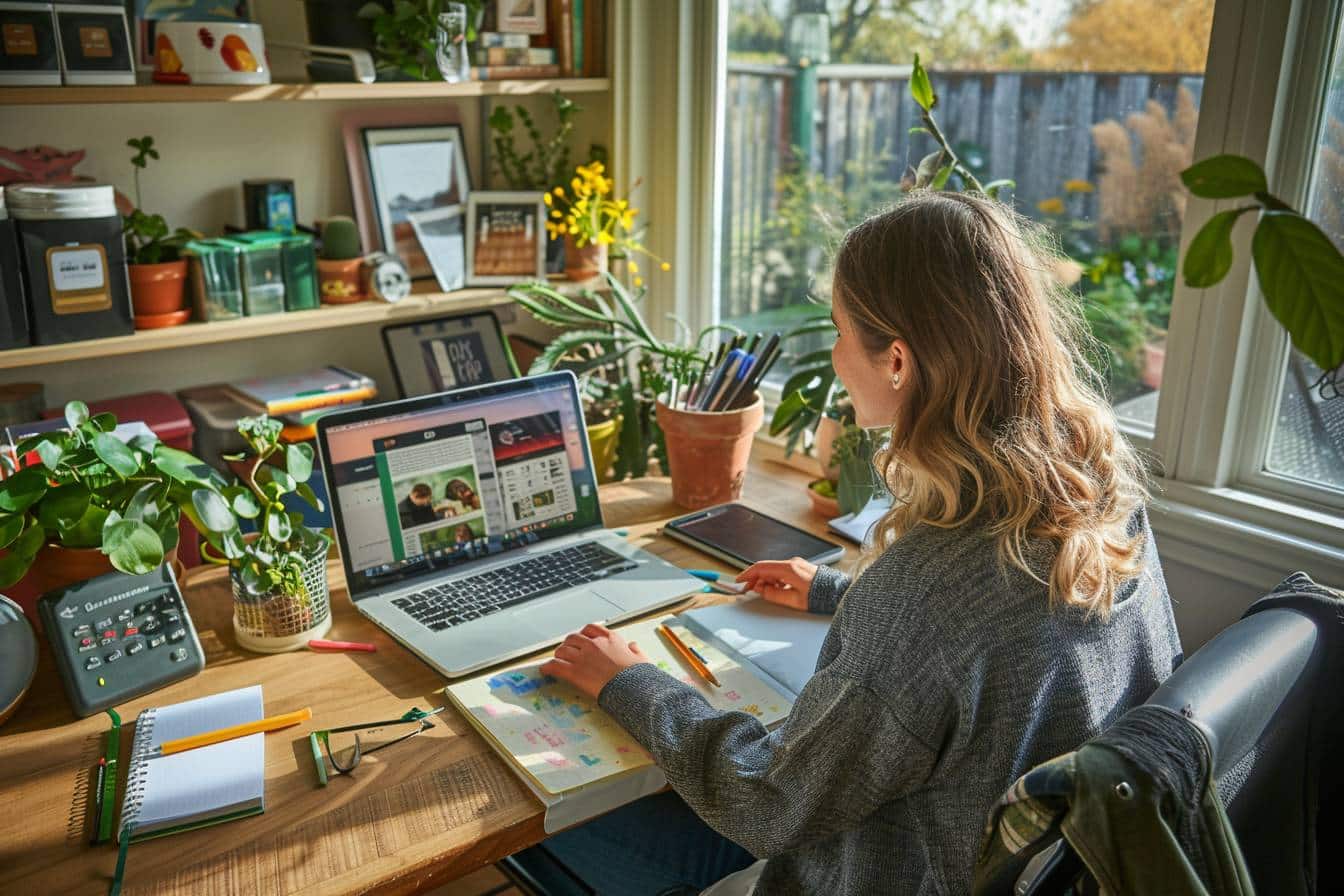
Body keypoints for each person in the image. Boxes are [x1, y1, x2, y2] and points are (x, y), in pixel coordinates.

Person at [537, 191, 1182, 895]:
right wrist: (836, 592)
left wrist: (626, 680)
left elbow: (766, 802)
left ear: (897, 360)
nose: (838, 356)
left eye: (840, 332)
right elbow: (996, 643)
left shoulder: (920, 599)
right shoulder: (1099, 488)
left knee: (555, 837)